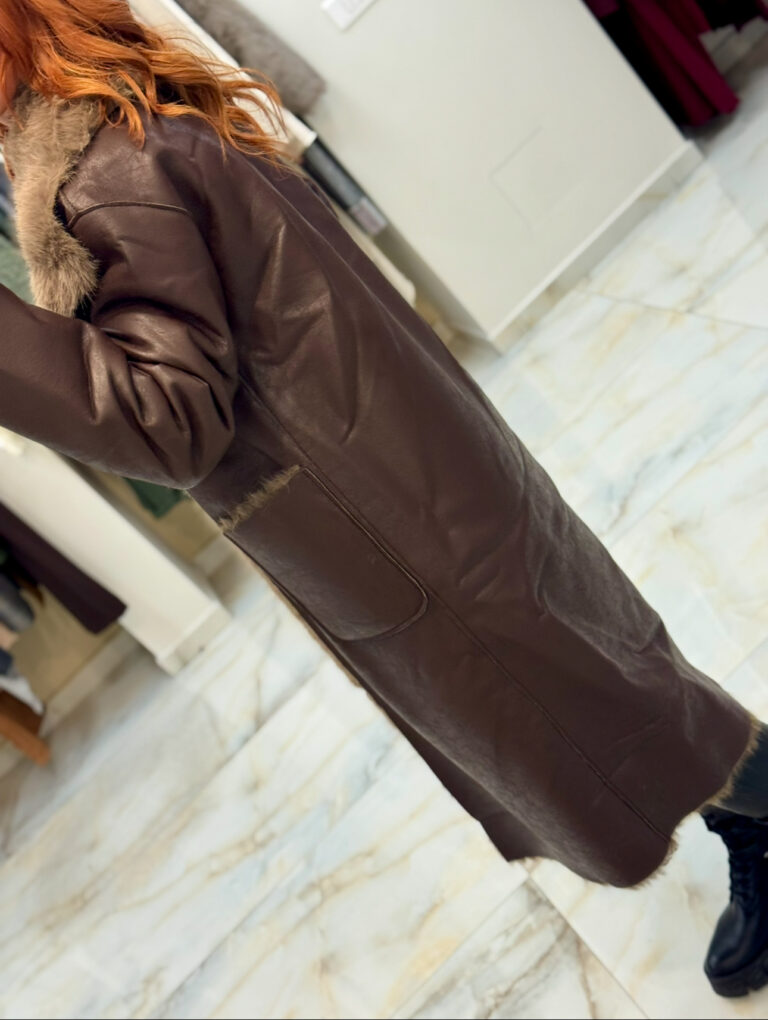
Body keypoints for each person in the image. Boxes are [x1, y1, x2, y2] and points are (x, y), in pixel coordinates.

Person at [0, 0, 766, 1000]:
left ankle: (755, 806)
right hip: (397, 477)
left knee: (591, 698)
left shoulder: (104, 177)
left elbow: (165, 421)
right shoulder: (126, 120)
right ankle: (744, 807)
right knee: (593, 668)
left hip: (383, 513)